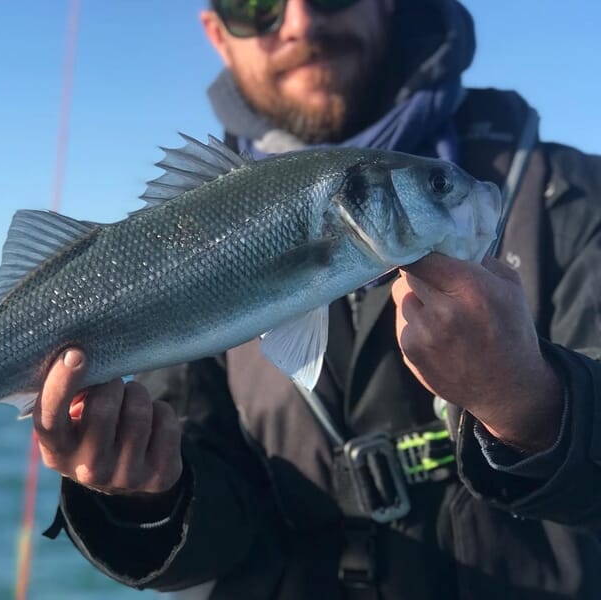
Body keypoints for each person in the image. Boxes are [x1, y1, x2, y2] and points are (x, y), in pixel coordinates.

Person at [38, 0, 601, 598]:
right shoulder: (184, 233)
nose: (301, 22)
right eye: (253, 6)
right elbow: (222, 523)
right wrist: (147, 501)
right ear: (217, 33)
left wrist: (534, 405)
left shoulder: (575, 199)